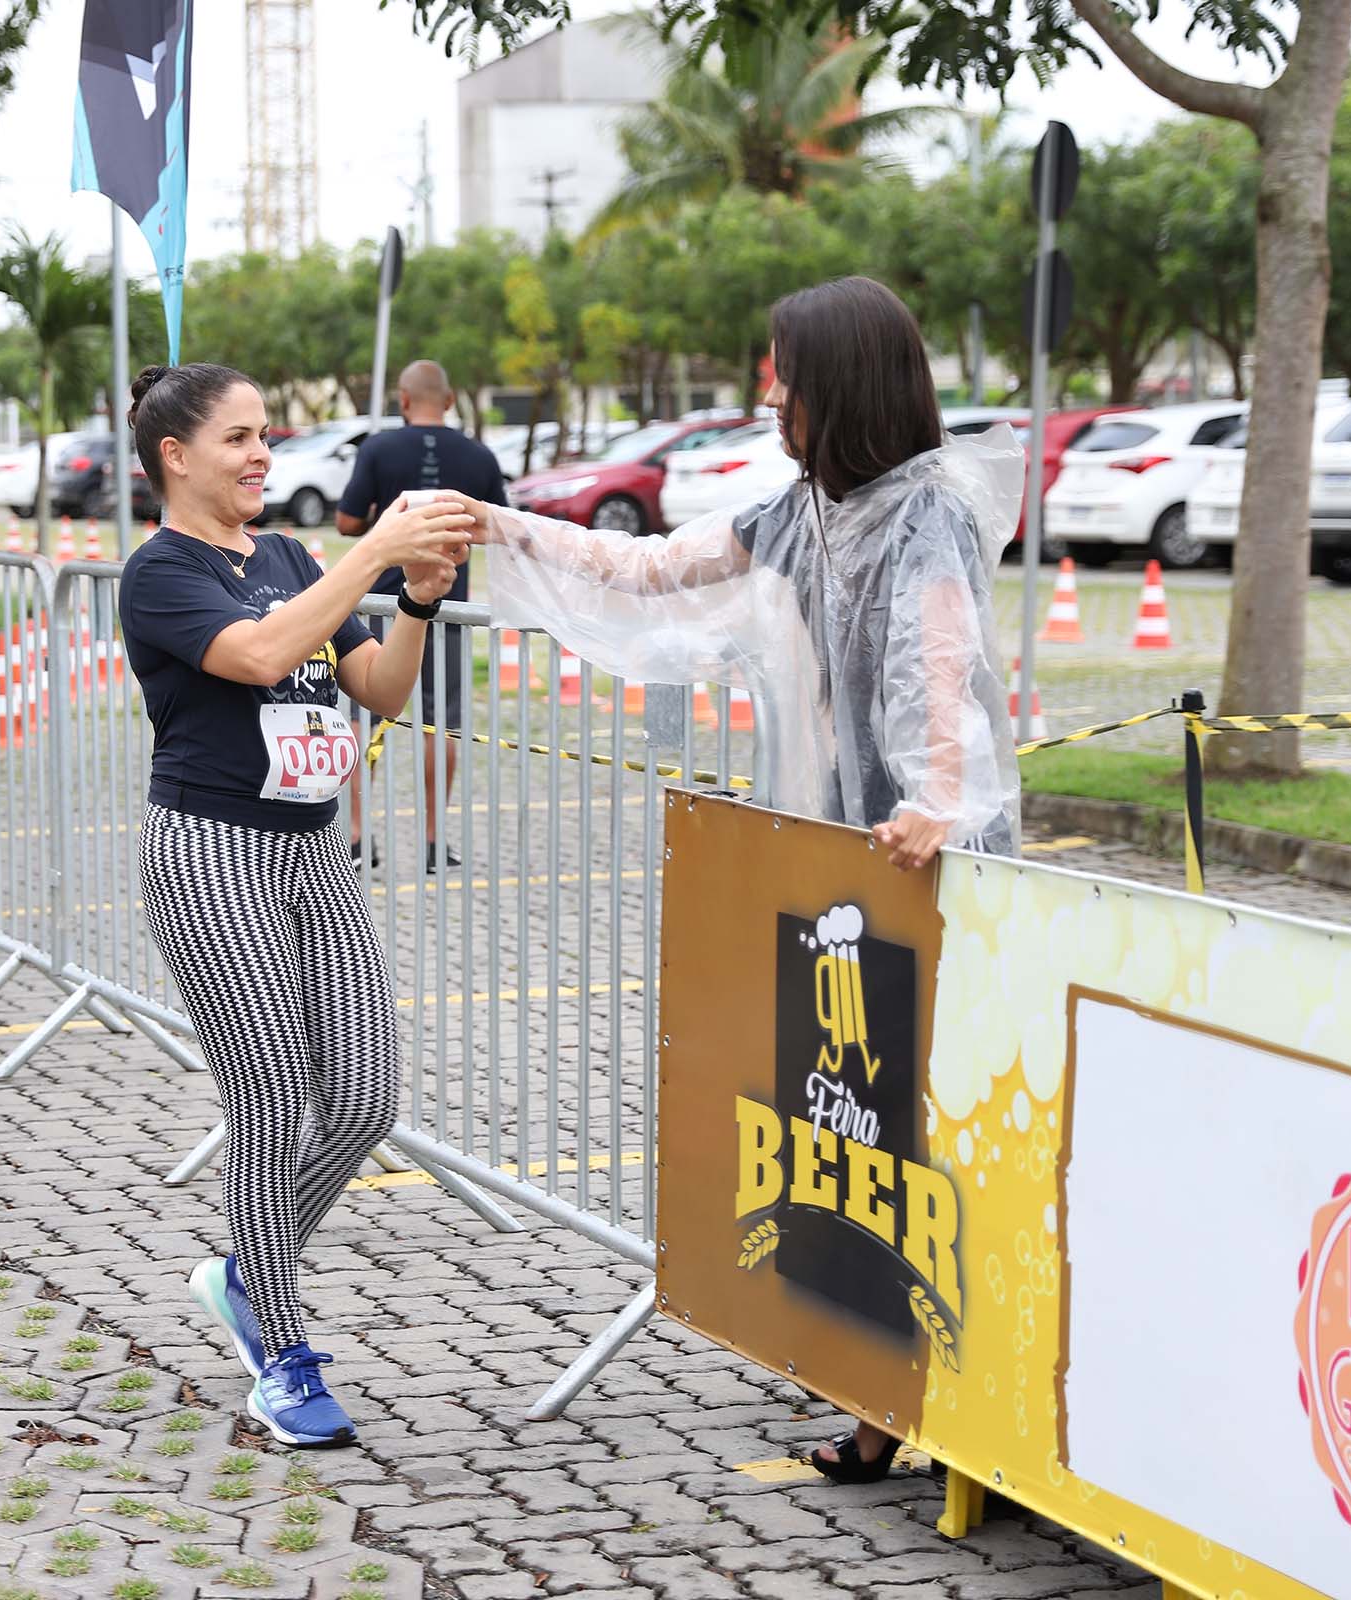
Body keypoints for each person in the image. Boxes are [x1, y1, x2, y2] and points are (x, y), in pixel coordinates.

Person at [440, 276, 1022, 1482]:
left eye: (782, 373)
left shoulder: (929, 516)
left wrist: (935, 804)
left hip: (928, 867)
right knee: (856, 1133)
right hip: (840, 873)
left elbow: (941, 664)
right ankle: (875, 1382)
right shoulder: (801, 513)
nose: (768, 395)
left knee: (931, 1137)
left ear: (838, 385)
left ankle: (927, 1402)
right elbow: (647, 570)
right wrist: (499, 525)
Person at [117, 363, 473, 1448]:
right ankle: (282, 1347)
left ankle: (242, 1268)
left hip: (315, 848)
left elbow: (379, 690)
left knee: (364, 1095)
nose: (264, 454)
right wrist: (374, 550)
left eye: (267, 434)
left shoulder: (285, 554)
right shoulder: (158, 572)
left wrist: (414, 595)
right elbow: (263, 652)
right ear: (176, 456)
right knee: (272, 1092)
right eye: (239, 437)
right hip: (211, 850)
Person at [336, 360, 507, 872]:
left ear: (403, 401)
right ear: (450, 400)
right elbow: (496, 525)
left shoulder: (379, 448)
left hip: (382, 604)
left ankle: (359, 837)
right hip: (449, 605)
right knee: (443, 724)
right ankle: (435, 842)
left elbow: (346, 521)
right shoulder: (478, 455)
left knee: (360, 720)